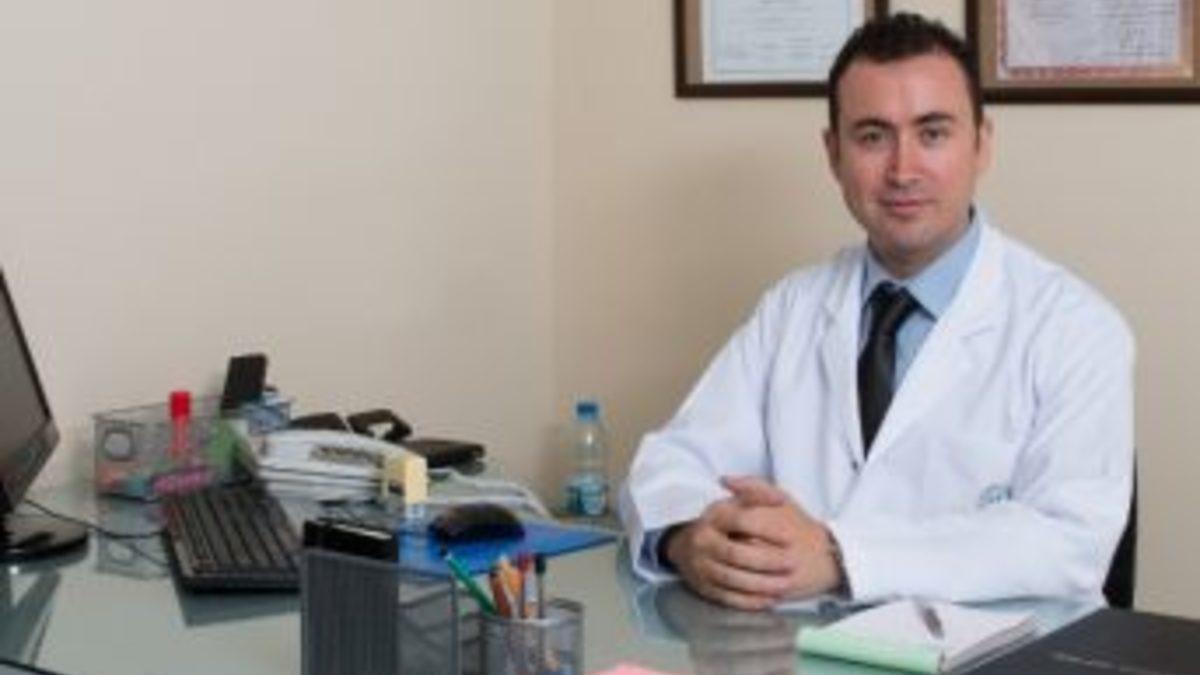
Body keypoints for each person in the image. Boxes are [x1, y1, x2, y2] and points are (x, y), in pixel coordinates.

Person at [619, 12, 1134, 611]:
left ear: (982, 143)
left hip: (1001, 650)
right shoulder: (793, 307)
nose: (903, 171)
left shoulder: (1076, 327)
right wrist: (687, 538)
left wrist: (841, 556)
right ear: (833, 153)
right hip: (796, 643)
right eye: (872, 137)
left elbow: (1069, 541)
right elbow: (674, 461)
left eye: (932, 133)